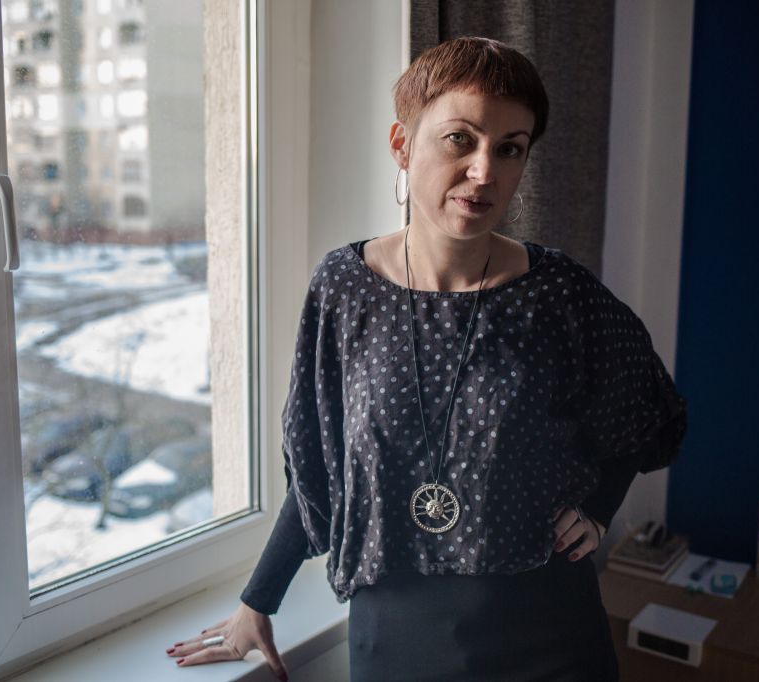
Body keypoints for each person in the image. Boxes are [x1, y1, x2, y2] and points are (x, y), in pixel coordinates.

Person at [166, 36, 687, 681]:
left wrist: (600, 509)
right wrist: (258, 601)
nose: (484, 171)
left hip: (549, 628)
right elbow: (320, 466)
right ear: (402, 144)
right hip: (398, 635)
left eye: (510, 148)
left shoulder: (560, 293)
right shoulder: (343, 288)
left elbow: (646, 411)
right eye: (459, 139)